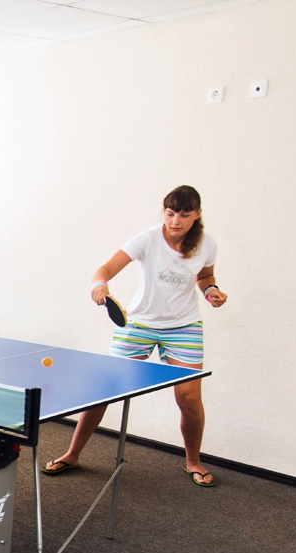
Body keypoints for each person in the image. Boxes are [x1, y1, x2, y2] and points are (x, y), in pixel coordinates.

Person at [43, 185, 228, 487]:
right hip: (139, 324)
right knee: (103, 391)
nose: (175, 221)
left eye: (184, 215)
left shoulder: (207, 244)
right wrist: (100, 285)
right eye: (170, 213)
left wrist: (211, 291)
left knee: (189, 397)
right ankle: (72, 454)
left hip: (184, 326)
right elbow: (105, 269)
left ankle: (193, 461)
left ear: (197, 214)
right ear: (164, 212)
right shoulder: (148, 239)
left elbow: (205, 276)